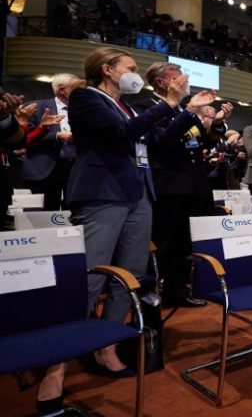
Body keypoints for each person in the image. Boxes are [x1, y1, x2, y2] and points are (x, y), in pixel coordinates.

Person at [66, 47, 203, 385]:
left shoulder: (127, 106)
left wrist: (187, 111)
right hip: (103, 193)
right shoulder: (86, 97)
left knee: (128, 276)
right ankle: (61, 355)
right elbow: (121, 134)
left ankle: (107, 344)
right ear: (108, 70)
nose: (135, 73)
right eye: (129, 67)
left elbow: (154, 141)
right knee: (93, 274)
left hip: (139, 194)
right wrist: (169, 103)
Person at [145, 61, 232, 308]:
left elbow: (202, 143)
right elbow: (162, 140)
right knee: (167, 242)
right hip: (169, 186)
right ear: (162, 83)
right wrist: (189, 111)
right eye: (178, 77)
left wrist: (216, 123)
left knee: (185, 241)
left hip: (193, 184)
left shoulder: (179, 110)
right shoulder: (149, 107)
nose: (185, 81)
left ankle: (178, 289)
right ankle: (156, 291)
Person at [21, 73, 82, 210]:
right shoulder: (35, 107)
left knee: (73, 216)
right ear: (62, 90)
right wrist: (57, 135)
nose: (81, 91)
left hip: (75, 169)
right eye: (76, 88)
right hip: (44, 169)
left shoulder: (82, 110)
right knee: (41, 217)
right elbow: (24, 137)